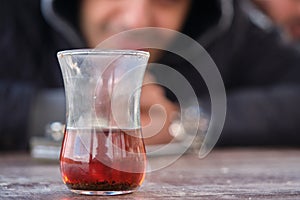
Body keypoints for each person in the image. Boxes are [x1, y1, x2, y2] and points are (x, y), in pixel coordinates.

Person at [1, 0, 300, 151]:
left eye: (166, 0)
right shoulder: (13, 16)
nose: (137, 20)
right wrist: (83, 109)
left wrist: (182, 122)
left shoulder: (226, 26)